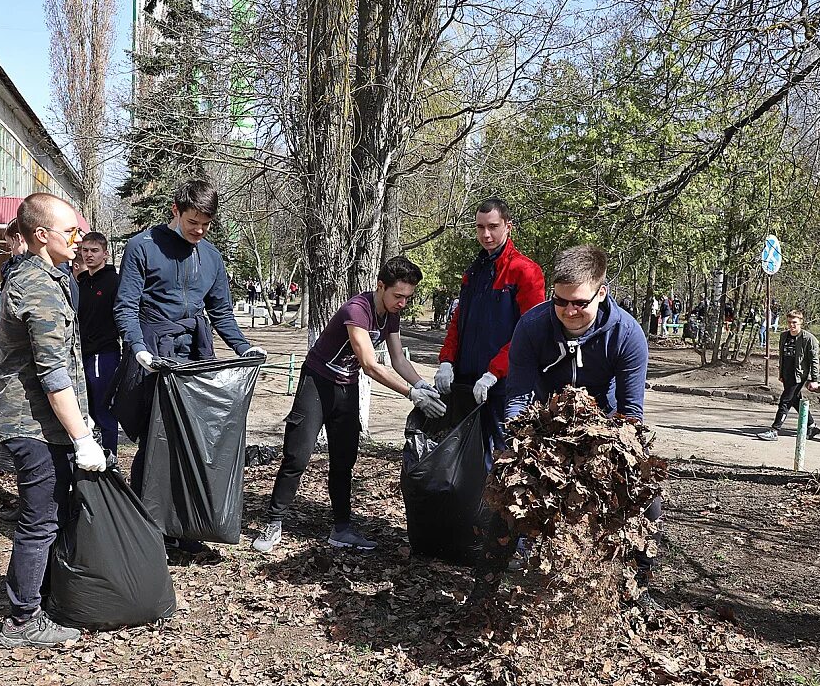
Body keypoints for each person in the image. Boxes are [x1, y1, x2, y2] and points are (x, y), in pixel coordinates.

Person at [475, 244, 654, 600]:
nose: (569, 310)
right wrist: (520, 444)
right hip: (544, 425)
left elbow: (632, 411)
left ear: (601, 293)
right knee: (500, 492)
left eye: (579, 303)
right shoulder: (532, 326)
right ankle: (485, 587)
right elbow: (518, 394)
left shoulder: (627, 335)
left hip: (605, 429)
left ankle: (635, 591)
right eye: (560, 301)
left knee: (647, 500)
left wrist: (613, 453)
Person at [251, 256, 446, 553]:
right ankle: (274, 522)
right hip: (317, 382)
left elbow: (398, 359)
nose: (403, 303)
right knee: (297, 456)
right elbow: (370, 363)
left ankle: (341, 528)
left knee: (344, 460)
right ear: (380, 286)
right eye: (398, 296)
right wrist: (410, 394)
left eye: (408, 297)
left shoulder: (392, 315)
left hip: (346, 386)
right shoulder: (357, 310)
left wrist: (420, 384)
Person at [114, 179, 265, 553]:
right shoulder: (142, 247)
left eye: (206, 223)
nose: (199, 230)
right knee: (154, 443)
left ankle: (186, 525)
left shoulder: (211, 256)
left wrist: (243, 346)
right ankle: (149, 531)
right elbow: (125, 307)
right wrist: (137, 348)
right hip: (154, 354)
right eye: (193, 221)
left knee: (193, 441)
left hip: (195, 357)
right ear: (175, 211)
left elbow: (221, 311)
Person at [0, 192, 106, 649]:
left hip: (41, 421)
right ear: (42, 236)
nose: (78, 239)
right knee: (40, 521)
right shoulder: (39, 286)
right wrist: (83, 437)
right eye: (71, 232)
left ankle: (36, 596)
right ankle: (23, 620)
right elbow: (53, 374)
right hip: (34, 423)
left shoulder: (44, 277)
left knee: (51, 515)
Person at [432, 198, 545, 455]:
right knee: (464, 455)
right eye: (480, 227)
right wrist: (447, 361)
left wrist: (495, 372)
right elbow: (458, 321)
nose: (486, 234)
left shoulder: (525, 271)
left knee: (504, 453)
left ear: (508, 226)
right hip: (466, 381)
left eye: (493, 226)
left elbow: (530, 332)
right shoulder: (474, 271)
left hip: (504, 384)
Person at [77, 231, 122, 454]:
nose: (89, 255)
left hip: (104, 355)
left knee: (104, 411)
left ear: (105, 253)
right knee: (87, 411)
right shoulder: (81, 283)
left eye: (94, 250)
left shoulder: (114, 282)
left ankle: (111, 461)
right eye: (85, 250)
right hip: (81, 355)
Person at [757, 309, 820, 440]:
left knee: (785, 401)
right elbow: (782, 356)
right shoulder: (784, 336)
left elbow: (814, 360)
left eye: (795, 322)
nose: (792, 325)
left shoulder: (809, 339)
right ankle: (812, 426)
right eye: (789, 322)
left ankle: (774, 430)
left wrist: (814, 379)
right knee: (796, 401)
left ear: (801, 322)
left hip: (799, 375)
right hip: (786, 373)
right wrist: (781, 373)